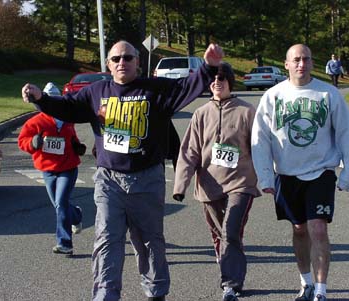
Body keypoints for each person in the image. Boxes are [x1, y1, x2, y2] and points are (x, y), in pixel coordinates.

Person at [21, 40, 224, 301]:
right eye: (116, 58)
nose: (122, 63)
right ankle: (105, 294)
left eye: (128, 58)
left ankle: (155, 291)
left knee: (149, 240)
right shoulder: (97, 91)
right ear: (108, 64)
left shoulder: (155, 89)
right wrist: (41, 99)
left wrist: (209, 66)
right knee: (107, 239)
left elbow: (187, 87)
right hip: (109, 179)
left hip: (147, 178)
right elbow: (68, 107)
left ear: (138, 62)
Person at [251, 44, 349, 301]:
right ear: (286, 64)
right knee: (299, 229)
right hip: (286, 174)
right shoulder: (273, 96)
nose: (301, 64)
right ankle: (306, 282)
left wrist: (348, 173)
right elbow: (260, 138)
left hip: (321, 171)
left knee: (318, 229)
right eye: (296, 60)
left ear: (312, 63)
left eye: (306, 59)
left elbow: (346, 135)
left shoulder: (328, 94)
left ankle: (321, 291)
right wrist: (265, 176)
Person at [172, 62, 260, 301]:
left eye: (222, 78)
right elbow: (189, 151)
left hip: (241, 182)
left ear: (230, 81)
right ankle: (231, 272)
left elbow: (260, 148)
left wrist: (269, 177)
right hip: (209, 185)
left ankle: (230, 284)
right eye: (212, 79)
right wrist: (180, 186)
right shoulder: (201, 113)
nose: (217, 82)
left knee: (231, 229)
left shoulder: (247, 111)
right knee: (220, 235)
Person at [18, 82, 86, 255]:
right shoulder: (35, 122)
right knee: (59, 204)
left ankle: (65, 243)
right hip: (47, 170)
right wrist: (33, 143)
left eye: (57, 98)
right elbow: (22, 142)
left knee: (61, 202)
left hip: (68, 168)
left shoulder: (67, 120)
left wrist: (77, 146)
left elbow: (72, 139)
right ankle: (76, 215)